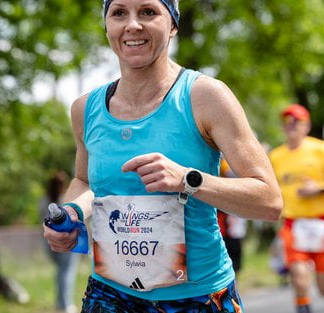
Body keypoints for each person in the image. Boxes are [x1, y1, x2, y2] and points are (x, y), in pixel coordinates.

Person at [43, 1, 282, 312]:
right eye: (118, 13)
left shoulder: (205, 97)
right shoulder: (85, 109)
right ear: (107, 27)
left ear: (172, 25)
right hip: (110, 295)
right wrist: (73, 212)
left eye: (148, 12)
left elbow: (269, 201)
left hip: (196, 297)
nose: (132, 25)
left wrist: (188, 180)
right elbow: (86, 180)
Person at [269, 104, 324, 313]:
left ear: (307, 126)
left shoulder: (321, 149)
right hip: (293, 223)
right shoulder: (276, 156)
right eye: (287, 123)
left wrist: (320, 188)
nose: (291, 126)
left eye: (296, 122)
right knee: (298, 276)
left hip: (321, 223)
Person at [40, 171, 80, 313]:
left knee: (60, 272)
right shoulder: (65, 201)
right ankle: (65, 304)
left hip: (49, 242)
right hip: (67, 241)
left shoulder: (44, 201)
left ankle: (60, 302)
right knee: (67, 272)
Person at [217, 159, 247, 276]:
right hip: (218, 210)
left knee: (234, 244)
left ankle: (235, 278)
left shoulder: (229, 162)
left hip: (233, 211)